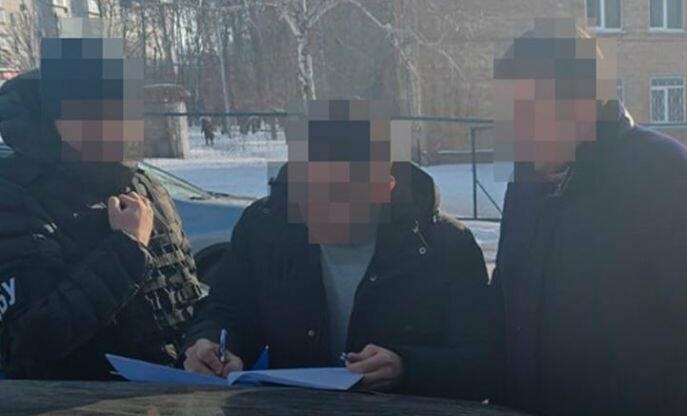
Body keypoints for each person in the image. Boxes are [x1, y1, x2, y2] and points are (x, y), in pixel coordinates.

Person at [491, 18, 687, 415]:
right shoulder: (527, 183)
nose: (515, 131)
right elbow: (505, 312)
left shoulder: (667, 177)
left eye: (528, 111)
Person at [181, 99, 499, 399]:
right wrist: (211, 345)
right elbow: (228, 310)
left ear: (383, 189)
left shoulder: (445, 246)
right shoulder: (265, 227)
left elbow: (480, 365)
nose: (320, 208)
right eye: (308, 191)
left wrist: (407, 368)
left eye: (340, 193)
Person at [0, 38, 207, 380]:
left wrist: (206, 342)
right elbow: (24, 343)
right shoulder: (16, 198)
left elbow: (186, 296)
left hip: (175, 393)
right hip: (79, 400)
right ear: (54, 119)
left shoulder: (148, 188)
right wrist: (126, 249)